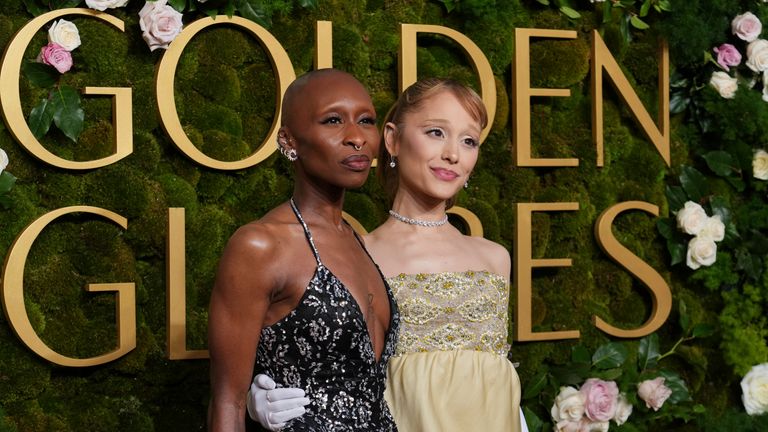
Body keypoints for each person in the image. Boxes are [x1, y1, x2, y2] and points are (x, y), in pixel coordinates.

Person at [248, 78, 524, 431]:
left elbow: (499, 384)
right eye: (436, 133)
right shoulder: (359, 255)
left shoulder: (495, 259)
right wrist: (256, 397)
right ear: (392, 140)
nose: (453, 153)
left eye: (469, 140)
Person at [207, 68, 399, 432]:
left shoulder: (357, 240)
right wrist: (252, 403)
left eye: (366, 120)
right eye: (332, 120)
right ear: (289, 141)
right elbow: (226, 403)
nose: (356, 137)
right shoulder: (261, 245)